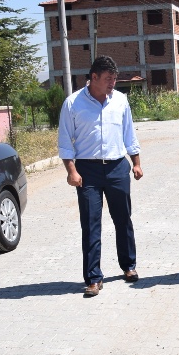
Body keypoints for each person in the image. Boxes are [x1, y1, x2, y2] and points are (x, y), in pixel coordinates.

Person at [58, 56, 143, 297]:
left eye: (114, 78)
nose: (112, 83)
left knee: (123, 219)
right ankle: (93, 278)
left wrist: (136, 163)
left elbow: (129, 134)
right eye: (108, 78)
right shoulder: (73, 103)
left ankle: (129, 265)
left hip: (117, 168)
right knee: (91, 223)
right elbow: (65, 141)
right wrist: (71, 171)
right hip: (88, 171)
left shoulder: (121, 100)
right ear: (93, 77)